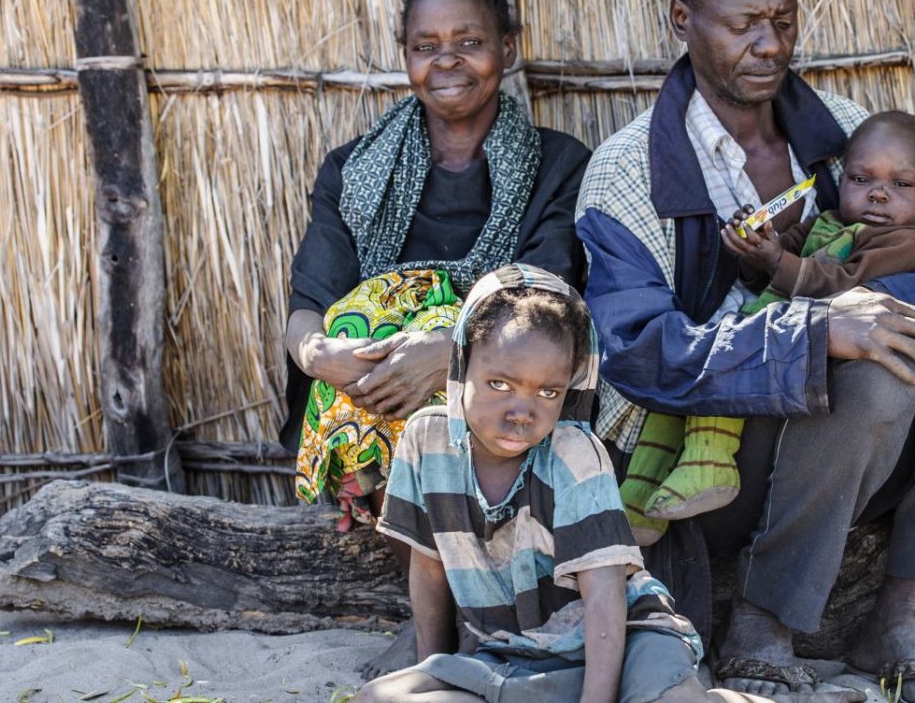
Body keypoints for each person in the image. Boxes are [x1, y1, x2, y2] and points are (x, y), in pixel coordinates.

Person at [575, 0, 915, 702]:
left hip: (870, 450)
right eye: (742, 24)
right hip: (713, 462)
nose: (769, 44)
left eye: (783, 21)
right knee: (867, 358)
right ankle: (764, 619)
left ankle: (903, 609)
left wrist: (865, 301)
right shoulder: (627, 173)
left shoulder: (839, 128)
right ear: (682, 21)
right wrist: (815, 328)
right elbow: (641, 353)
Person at [280, 0, 590, 678]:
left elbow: (546, 290)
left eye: (469, 41)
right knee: (360, 330)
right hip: (377, 388)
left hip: (508, 372)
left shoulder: (556, 165)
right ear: (405, 55)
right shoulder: (354, 170)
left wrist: (449, 351)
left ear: (507, 47)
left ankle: (461, 620)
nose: (446, 62)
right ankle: (439, 617)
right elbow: (308, 306)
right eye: (426, 46)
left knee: (496, 367)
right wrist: (320, 354)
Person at [357, 265, 858, 703]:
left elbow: (604, 599)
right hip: (513, 652)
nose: (521, 412)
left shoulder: (574, 456)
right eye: (500, 384)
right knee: (378, 698)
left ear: (570, 388)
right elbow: (429, 571)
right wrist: (436, 668)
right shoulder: (427, 440)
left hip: (623, 637)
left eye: (548, 391)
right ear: (463, 363)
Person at [621, 112, 915, 539]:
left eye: (900, 185)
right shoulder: (827, 222)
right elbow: (774, 267)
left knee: (725, 382)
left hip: (799, 364)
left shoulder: (903, 244)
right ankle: (638, 501)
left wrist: (777, 263)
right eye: (862, 180)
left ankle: (710, 464)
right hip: (766, 329)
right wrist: (756, 246)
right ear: (842, 180)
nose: (878, 195)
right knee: (675, 396)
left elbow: (840, 285)